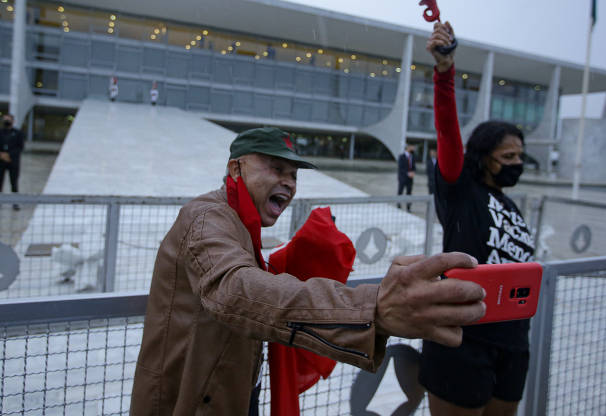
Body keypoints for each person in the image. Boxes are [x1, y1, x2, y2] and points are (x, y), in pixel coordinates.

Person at [130, 127, 486, 415]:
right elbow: (235, 288)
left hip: (227, 393)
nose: (288, 182)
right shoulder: (207, 218)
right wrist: (370, 308)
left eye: (294, 174)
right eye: (275, 168)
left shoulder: (242, 222)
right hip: (187, 402)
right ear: (235, 169)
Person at [419, 21, 536, 416]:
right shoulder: (461, 192)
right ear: (483, 156)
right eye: (508, 157)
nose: (516, 164)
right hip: (462, 337)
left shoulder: (511, 206)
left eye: (520, 157)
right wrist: (445, 71)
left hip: (513, 340)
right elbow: (448, 133)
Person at [0, 114, 25, 211]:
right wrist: (0, 154)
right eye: (5, 119)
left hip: (13, 162)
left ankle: (15, 203)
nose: (7, 121)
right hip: (0, 161)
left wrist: (9, 155)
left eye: (8, 120)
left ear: (13, 121)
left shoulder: (18, 133)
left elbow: (20, 147)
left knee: (14, 183)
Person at [397, 143, 416, 211]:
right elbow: (400, 168)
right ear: (408, 147)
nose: (413, 148)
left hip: (410, 179)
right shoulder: (401, 156)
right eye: (412, 147)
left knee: (409, 193)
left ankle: (408, 207)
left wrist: (413, 172)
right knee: (400, 192)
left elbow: (413, 167)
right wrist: (408, 173)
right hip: (403, 178)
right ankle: (398, 205)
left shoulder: (412, 156)